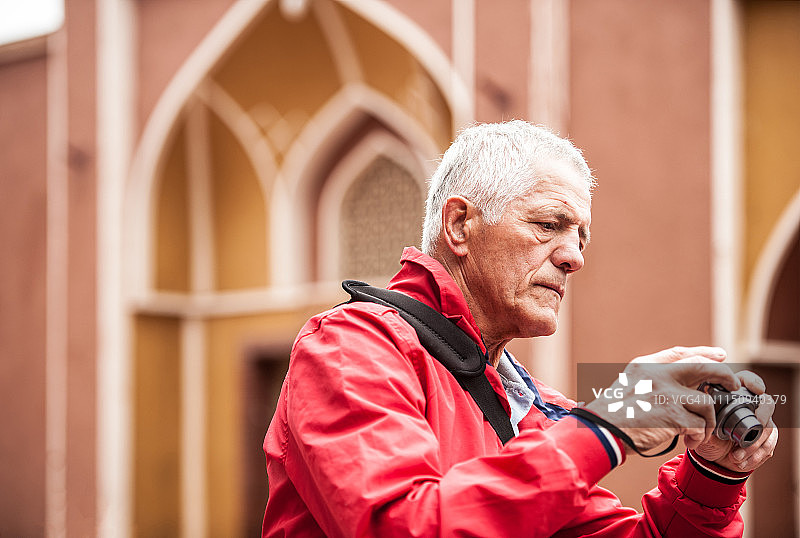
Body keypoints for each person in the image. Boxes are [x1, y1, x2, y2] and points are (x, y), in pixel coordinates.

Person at [262, 120, 778, 537]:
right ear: (460, 225)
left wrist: (712, 477)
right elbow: (400, 526)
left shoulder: (532, 407)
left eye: (581, 239)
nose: (574, 257)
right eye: (548, 225)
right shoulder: (351, 346)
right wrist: (608, 426)